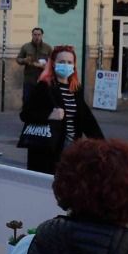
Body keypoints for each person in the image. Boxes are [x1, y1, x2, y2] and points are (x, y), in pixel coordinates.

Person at [19, 45, 103, 175]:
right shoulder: (44, 87)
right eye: (61, 62)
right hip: (48, 149)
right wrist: (49, 115)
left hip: (72, 148)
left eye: (69, 62)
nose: (66, 65)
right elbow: (25, 114)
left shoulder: (75, 89)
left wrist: (103, 145)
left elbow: (87, 119)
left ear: (74, 65)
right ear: (53, 64)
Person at [15, 27, 53, 103]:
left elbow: (53, 62)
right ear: (32, 35)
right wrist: (24, 60)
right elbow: (18, 59)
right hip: (29, 80)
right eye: (35, 35)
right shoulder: (26, 46)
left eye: (39, 35)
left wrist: (46, 66)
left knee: (42, 101)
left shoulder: (48, 48)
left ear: (42, 35)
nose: (37, 37)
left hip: (43, 80)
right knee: (27, 100)